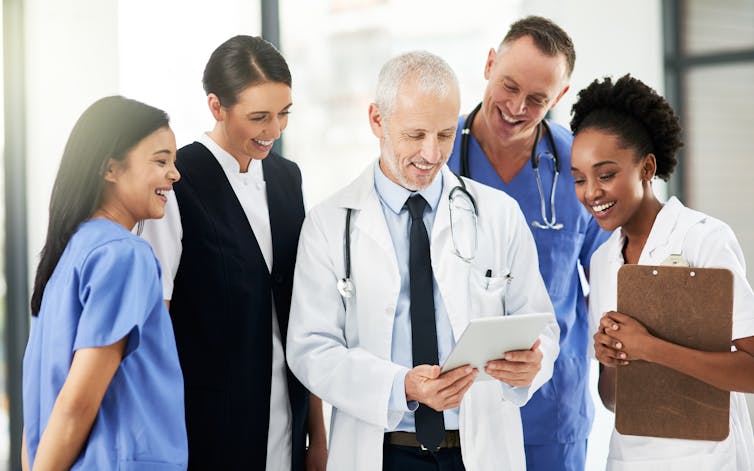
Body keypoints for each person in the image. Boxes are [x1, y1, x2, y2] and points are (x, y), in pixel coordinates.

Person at [286, 51, 560, 471]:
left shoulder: (498, 214)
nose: (431, 154)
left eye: (445, 135)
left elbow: (541, 325)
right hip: (382, 449)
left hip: (479, 449)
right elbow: (311, 351)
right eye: (415, 135)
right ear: (377, 120)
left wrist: (532, 365)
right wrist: (402, 387)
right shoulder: (329, 223)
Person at [139, 35, 326, 470]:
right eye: (258, 117)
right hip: (207, 427)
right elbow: (155, 328)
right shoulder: (177, 182)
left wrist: (317, 433)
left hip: (288, 417)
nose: (274, 131)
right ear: (216, 107)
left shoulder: (287, 178)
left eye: (283, 115)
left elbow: (307, 312)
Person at [446, 15, 609, 471]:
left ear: (559, 96)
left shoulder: (583, 169)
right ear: (489, 64)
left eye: (537, 98)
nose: (516, 107)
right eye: (509, 86)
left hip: (551, 411)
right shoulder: (436, 159)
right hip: (459, 407)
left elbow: (611, 278)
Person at [570, 74, 754, 470]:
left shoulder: (703, 239)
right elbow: (612, 400)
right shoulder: (603, 261)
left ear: (647, 167)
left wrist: (649, 347)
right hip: (629, 459)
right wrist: (611, 361)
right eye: (579, 179)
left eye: (605, 175)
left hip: (708, 459)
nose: (591, 193)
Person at [21, 96, 187, 469]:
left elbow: (39, 415)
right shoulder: (126, 256)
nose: (174, 174)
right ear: (111, 169)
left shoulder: (68, 255)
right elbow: (77, 403)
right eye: (161, 161)